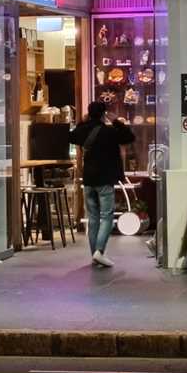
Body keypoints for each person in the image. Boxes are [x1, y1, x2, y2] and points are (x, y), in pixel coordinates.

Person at [68, 102, 135, 268]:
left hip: (89, 179)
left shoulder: (83, 130)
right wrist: (116, 121)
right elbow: (129, 137)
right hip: (105, 179)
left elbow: (71, 136)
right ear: (103, 114)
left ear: (89, 114)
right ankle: (99, 251)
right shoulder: (109, 131)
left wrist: (83, 122)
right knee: (106, 216)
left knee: (93, 218)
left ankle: (95, 255)